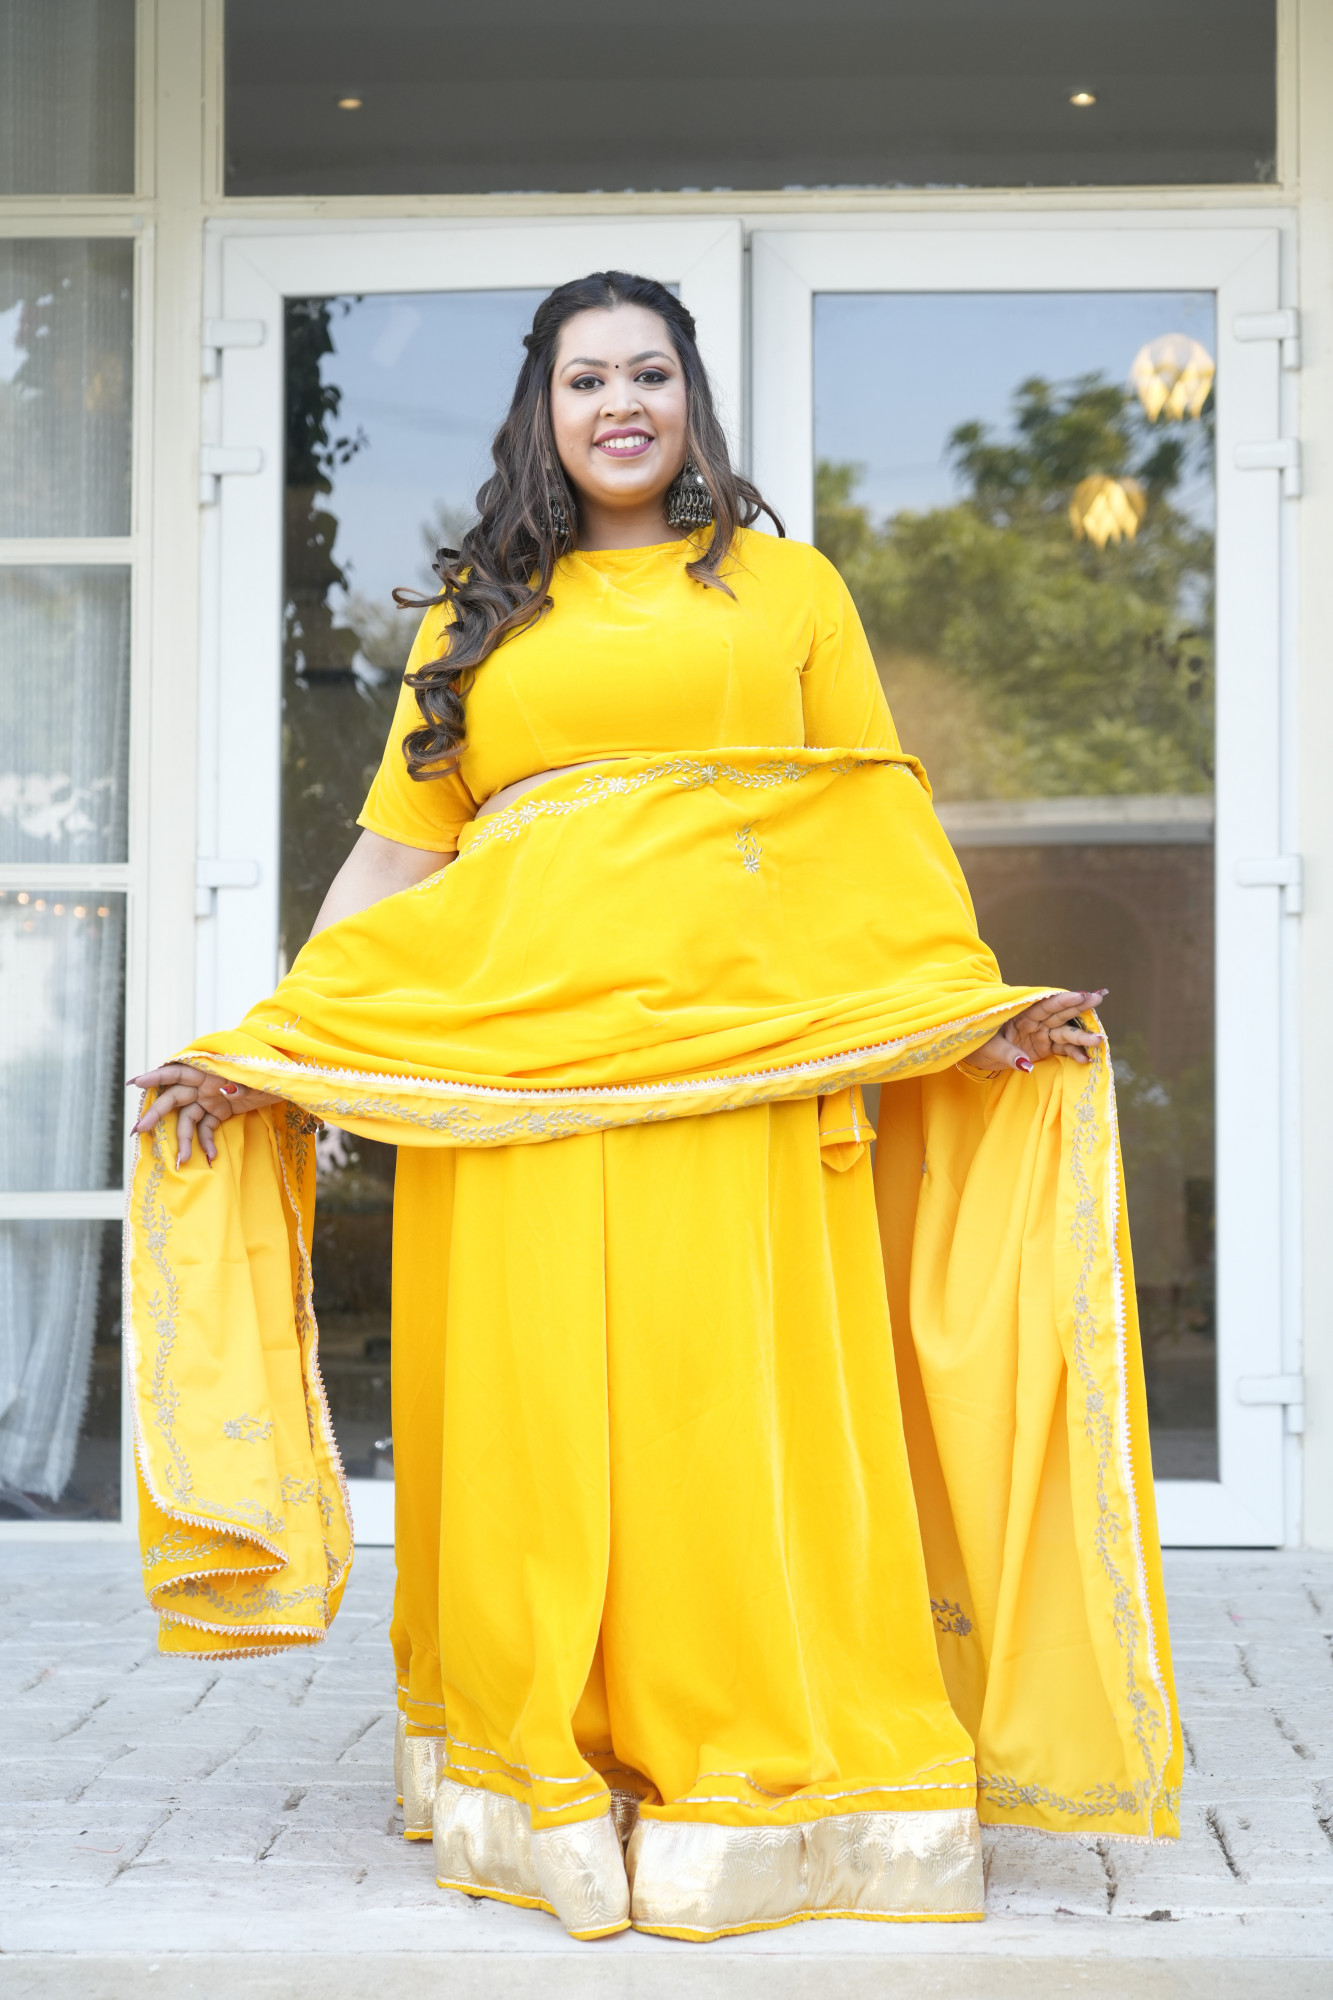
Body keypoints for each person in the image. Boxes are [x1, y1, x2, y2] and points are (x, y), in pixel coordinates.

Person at [127, 271, 1180, 1943]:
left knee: (727, 1418)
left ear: (690, 399)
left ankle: (763, 1784)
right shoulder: (480, 606)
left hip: (745, 1085)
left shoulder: (789, 593)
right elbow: (397, 856)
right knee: (542, 1423)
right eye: (583, 378)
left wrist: (961, 1012)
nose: (619, 402)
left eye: (649, 373)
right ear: (539, 412)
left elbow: (872, 832)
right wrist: (276, 1042)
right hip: (522, 1088)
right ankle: (548, 1772)